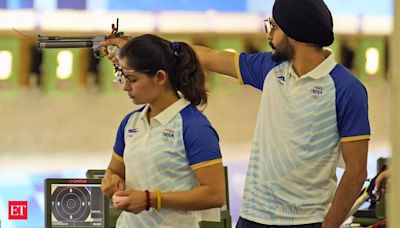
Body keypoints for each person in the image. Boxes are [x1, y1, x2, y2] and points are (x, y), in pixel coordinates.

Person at [103, 0, 370, 227]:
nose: (269, 34)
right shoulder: (270, 69)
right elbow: (208, 57)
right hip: (253, 216)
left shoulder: (347, 89)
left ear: (293, 33)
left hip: (308, 219)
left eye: (274, 27)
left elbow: (357, 171)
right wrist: (136, 48)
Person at [101, 34, 226, 228]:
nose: (125, 87)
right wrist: (111, 179)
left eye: (132, 79)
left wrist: (152, 200)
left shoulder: (194, 126)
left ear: (159, 77)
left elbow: (214, 194)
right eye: (122, 77)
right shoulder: (130, 122)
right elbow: (115, 170)